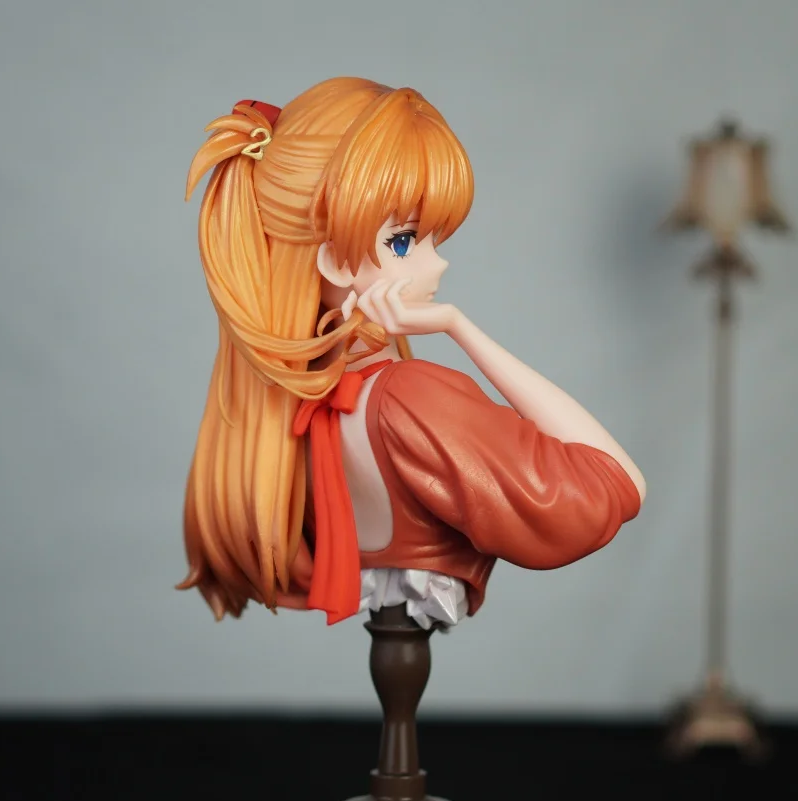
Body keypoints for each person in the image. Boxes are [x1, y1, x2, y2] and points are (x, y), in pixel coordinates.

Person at [179, 78, 645, 630]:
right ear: (336, 262)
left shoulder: (299, 400)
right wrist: (460, 328)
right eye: (402, 240)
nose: (436, 264)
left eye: (433, 239)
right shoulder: (408, 395)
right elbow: (613, 486)